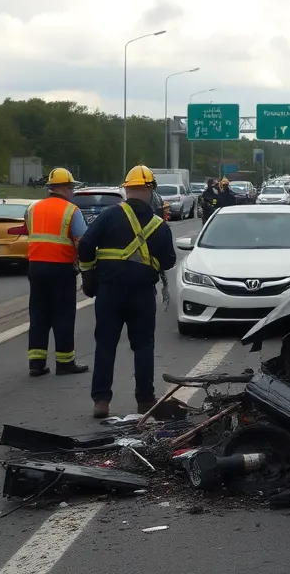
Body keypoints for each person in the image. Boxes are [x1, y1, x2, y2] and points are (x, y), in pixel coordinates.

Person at [78, 165, 177, 419]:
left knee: (106, 344)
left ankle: (101, 401)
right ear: (150, 190)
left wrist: (88, 274)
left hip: (109, 292)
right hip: (142, 294)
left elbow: (86, 244)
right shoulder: (159, 225)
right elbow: (169, 261)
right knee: (143, 346)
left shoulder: (109, 215)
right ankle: (145, 401)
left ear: (127, 189)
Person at [25, 167, 90, 377]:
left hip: (35, 267)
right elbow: (82, 241)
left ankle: (36, 363)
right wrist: (85, 265)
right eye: (71, 188)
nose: (73, 192)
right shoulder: (72, 211)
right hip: (61, 268)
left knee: (38, 314)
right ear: (65, 187)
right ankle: (65, 362)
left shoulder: (33, 209)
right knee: (63, 315)